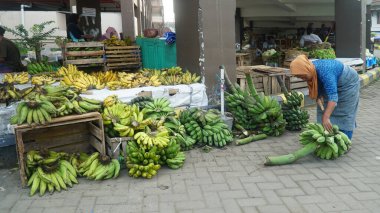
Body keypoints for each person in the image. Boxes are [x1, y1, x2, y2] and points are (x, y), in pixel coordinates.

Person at [290, 55, 360, 139]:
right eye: (299, 77)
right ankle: (326, 135)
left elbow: (333, 98)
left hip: (348, 83)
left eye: (302, 76)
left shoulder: (325, 71)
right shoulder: (311, 68)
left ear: (306, 69)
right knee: (323, 109)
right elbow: (318, 80)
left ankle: (346, 140)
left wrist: (326, 117)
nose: (302, 79)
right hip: (334, 82)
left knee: (345, 111)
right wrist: (318, 95)